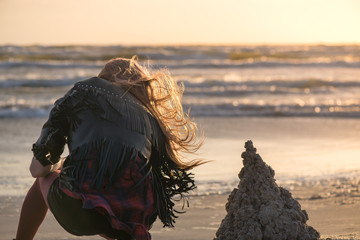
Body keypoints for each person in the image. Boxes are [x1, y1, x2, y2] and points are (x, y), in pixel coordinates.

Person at [15, 57, 204, 240]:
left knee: (44, 178)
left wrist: (60, 164)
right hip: (135, 220)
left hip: (76, 210)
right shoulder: (151, 119)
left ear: (104, 78)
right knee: (108, 191)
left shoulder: (83, 91)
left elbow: (37, 168)